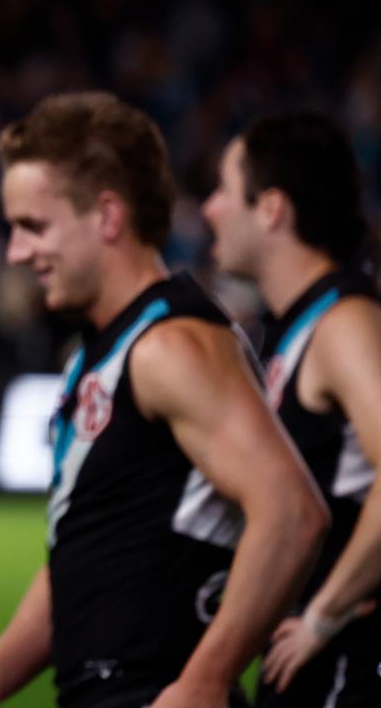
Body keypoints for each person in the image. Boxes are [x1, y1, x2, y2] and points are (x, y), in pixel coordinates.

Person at [0, 92, 329, 708]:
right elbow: (84, 554)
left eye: (33, 226)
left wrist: (202, 682)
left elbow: (291, 512)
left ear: (106, 216)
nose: (16, 253)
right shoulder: (106, 350)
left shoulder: (172, 345)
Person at [203, 110, 381, 707]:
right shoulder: (296, 327)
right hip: (309, 662)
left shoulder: (345, 323)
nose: (209, 209)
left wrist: (322, 618)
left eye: (225, 191)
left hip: (345, 663)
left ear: (272, 209)